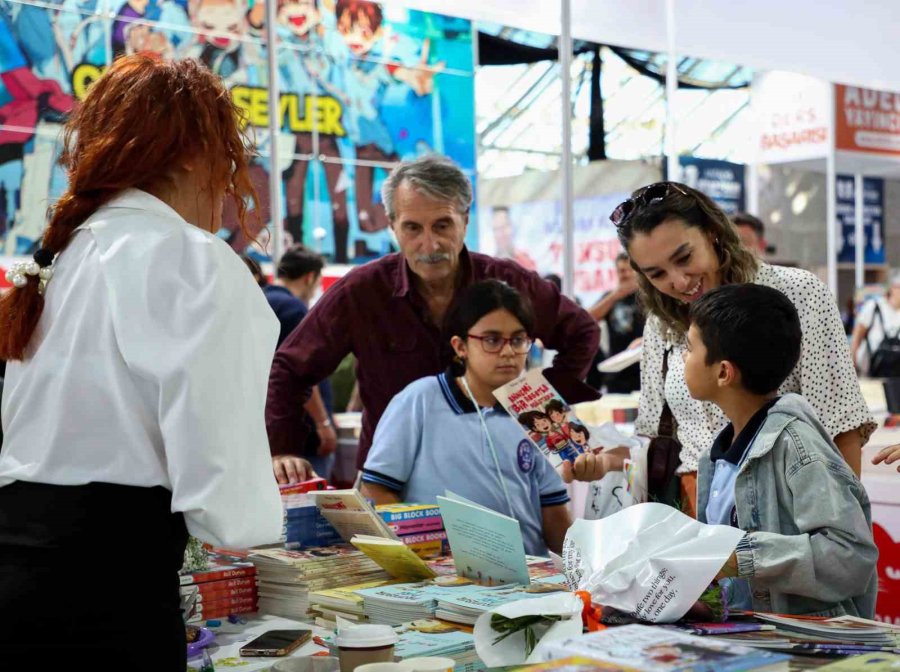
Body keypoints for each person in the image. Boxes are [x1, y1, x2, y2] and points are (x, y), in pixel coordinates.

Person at [0, 56, 283, 668]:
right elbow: (227, 505)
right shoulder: (190, 259)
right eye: (228, 157)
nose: (231, 181)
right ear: (190, 153)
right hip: (107, 593)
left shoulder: (64, 256)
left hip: (19, 569)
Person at [266, 155, 600, 481]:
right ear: (393, 225)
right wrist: (284, 449)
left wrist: (537, 406)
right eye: (413, 228)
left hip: (494, 477)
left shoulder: (506, 282)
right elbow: (289, 369)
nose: (430, 243)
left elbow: (582, 332)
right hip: (393, 484)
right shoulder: (361, 292)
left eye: (442, 225)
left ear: (465, 220)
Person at [575, 182, 874, 515]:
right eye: (657, 273)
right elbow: (652, 433)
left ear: (713, 232)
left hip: (782, 505)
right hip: (691, 510)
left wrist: (844, 530)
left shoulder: (796, 292)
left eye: (684, 257)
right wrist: (604, 462)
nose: (679, 282)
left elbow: (839, 424)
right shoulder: (661, 323)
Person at [686, 284, 877, 616]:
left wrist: (742, 558)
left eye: (689, 349)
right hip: (748, 640)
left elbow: (850, 558)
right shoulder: (715, 457)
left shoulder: (797, 447)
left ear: (723, 372)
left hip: (807, 650)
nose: (683, 360)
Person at [360, 280, 572, 556]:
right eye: (492, 340)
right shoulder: (421, 400)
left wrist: (586, 567)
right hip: (446, 578)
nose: (508, 352)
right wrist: (418, 550)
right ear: (460, 347)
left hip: (529, 577)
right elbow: (376, 488)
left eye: (518, 340)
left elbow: (554, 510)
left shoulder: (540, 408)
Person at [262, 245, 337, 479]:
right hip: (300, 435)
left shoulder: (261, 299)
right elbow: (298, 371)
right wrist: (323, 423)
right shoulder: (294, 309)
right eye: (317, 284)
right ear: (309, 278)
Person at [586, 252, 644, 392]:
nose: (626, 275)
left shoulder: (649, 297)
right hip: (617, 372)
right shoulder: (610, 297)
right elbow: (587, 320)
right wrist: (614, 296)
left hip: (645, 370)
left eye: (630, 270)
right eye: (622, 271)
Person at [849, 270, 900, 376]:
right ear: (892, 288)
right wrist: (851, 364)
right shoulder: (873, 307)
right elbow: (857, 335)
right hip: (873, 371)